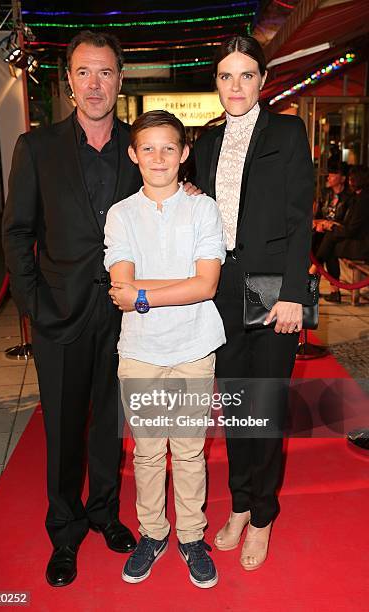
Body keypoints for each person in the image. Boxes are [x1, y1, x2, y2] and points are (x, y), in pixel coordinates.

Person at [3, 30, 198, 588]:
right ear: (68, 81)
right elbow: (17, 233)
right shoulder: (36, 148)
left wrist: (187, 190)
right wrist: (34, 305)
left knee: (111, 425)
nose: (95, 84)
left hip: (124, 318)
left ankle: (105, 514)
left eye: (106, 73)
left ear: (120, 80)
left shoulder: (137, 150)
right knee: (63, 430)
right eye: (84, 73)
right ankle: (64, 533)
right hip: (58, 315)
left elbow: (169, 190)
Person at [193, 35, 313, 570]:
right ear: (215, 82)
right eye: (225, 76)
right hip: (220, 291)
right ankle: (240, 503)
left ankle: (263, 515)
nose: (235, 86)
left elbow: (298, 219)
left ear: (263, 81)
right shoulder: (206, 142)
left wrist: (292, 294)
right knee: (237, 407)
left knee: (264, 407)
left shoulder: (288, 132)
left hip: (272, 290)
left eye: (246, 75)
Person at [104, 110, 225, 588]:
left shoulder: (203, 208)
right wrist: (176, 285)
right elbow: (120, 283)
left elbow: (208, 284)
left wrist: (141, 295)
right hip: (140, 348)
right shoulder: (121, 214)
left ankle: (191, 536)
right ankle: (153, 533)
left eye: (168, 148)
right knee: (149, 453)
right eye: (148, 148)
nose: (158, 157)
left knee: (191, 452)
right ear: (133, 155)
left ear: (185, 154)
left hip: (195, 345)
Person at [312, 165, 369, 298]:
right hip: (353, 237)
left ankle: (313, 274)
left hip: (362, 244)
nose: (350, 180)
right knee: (322, 239)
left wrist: (331, 226)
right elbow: (348, 224)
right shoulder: (356, 197)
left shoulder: (360, 199)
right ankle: (330, 289)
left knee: (329, 241)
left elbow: (352, 229)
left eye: (352, 178)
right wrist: (327, 224)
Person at [311, 162, 353, 302]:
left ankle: (311, 278)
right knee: (316, 241)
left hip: (339, 235)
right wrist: (320, 223)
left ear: (342, 178)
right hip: (324, 232)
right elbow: (317, 216)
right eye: (329, 174)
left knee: (329, 244)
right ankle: (333, 291)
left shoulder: (349, 197)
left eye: (334, 174)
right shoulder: (325, 193)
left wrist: (330, 225)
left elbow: (348, 224)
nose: (329, 177)